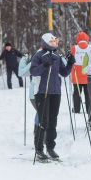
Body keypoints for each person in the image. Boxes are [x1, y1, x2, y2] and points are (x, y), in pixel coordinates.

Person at [30, 33, 74, 162]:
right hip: (42, 92)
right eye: (52, 41)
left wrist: (70, 64)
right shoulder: (39, 55)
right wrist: (44, 65)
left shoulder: (57, 56)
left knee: (53, 121)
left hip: (55, 92)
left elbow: (64, 73)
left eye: (56, 40)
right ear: (45, 42)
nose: (55, 42)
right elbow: (33, 71)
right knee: (43, 120)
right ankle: (39, 149)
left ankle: (50, 147)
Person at [70, 31, 90, 114]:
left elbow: (70, 60)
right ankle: (89, 109)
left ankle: (76, 109)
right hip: (87, 74)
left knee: (76, 93)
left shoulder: (74, 48)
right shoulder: (90, 47)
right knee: (88, 93)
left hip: (76, 74)